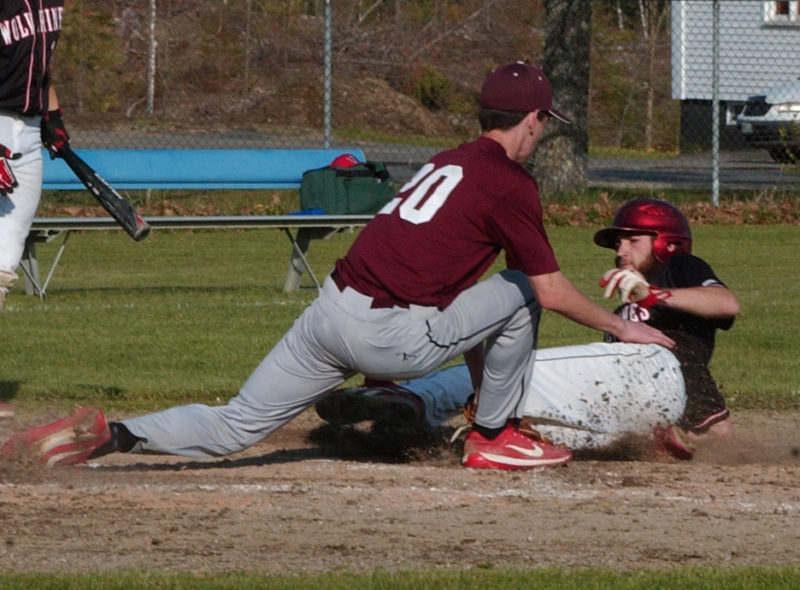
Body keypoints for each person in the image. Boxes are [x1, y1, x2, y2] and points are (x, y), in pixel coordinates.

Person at [1, 62, 673, 471]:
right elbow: (549, 291)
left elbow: (457, 294)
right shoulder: (509, 181)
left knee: (235, 424)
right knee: (525, 287)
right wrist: (627, 330)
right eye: (540, 122)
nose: (540, 132)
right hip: (391, 333)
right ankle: (493, 437)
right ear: (529, 118)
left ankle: (112, 435)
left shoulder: (447, 159)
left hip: (329, 314)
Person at [315, 198, 739, 460]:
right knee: (529, 424)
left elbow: (726, 303)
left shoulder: (678, 267)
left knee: (516, 371)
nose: (620, 250)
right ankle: (408, 432)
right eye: (618, 243)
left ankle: (412, 396)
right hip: (637, 409)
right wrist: (707, 433)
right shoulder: (632, 301)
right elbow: (718, 428)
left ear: (664, 242)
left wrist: (654, 295)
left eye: (632, 240)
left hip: (650, 369)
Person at [1, 1, 71, 419]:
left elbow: (40, 70)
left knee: (4, 263)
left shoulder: (52, 3)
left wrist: (54, 115)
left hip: (26, 134)